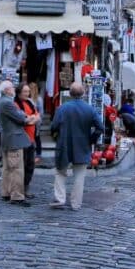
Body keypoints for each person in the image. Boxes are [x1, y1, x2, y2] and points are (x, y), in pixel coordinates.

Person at [50, 81, 104, 211]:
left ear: (70, 93)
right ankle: (76, 203)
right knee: (79, 176)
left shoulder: (62, 108)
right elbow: (100, 127)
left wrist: (57, 137)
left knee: (60, 172)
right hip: (82, 145)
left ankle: (60, 199)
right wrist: (91, 139)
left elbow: (54, 127)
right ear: (83, 93)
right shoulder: (89, 109)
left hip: (64, 144)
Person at [0, 81, 37, 207]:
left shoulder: (3, 101)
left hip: (8, 137)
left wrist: (27, 117)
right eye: (11, 88)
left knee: (8, 168)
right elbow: (21, 117)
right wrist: (29, 118)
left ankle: (6, 192)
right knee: (16, 169)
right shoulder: (8, 103)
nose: (13, 89)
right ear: (6, 90)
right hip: (14, 139)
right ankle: (17, 196)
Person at [16, 83, 41, 198]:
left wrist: (32, 119)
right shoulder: (16, 104)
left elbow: (37, 117)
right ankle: (20, 190)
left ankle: (26, 189)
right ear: (19, 92)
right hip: (22, 139)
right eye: (25, 91)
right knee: (22, 166)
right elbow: (24, 119)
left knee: (30, 165)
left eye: (28, 91)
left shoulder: (30, 103)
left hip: (31, 139)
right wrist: (31, 119)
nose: (27, 93)